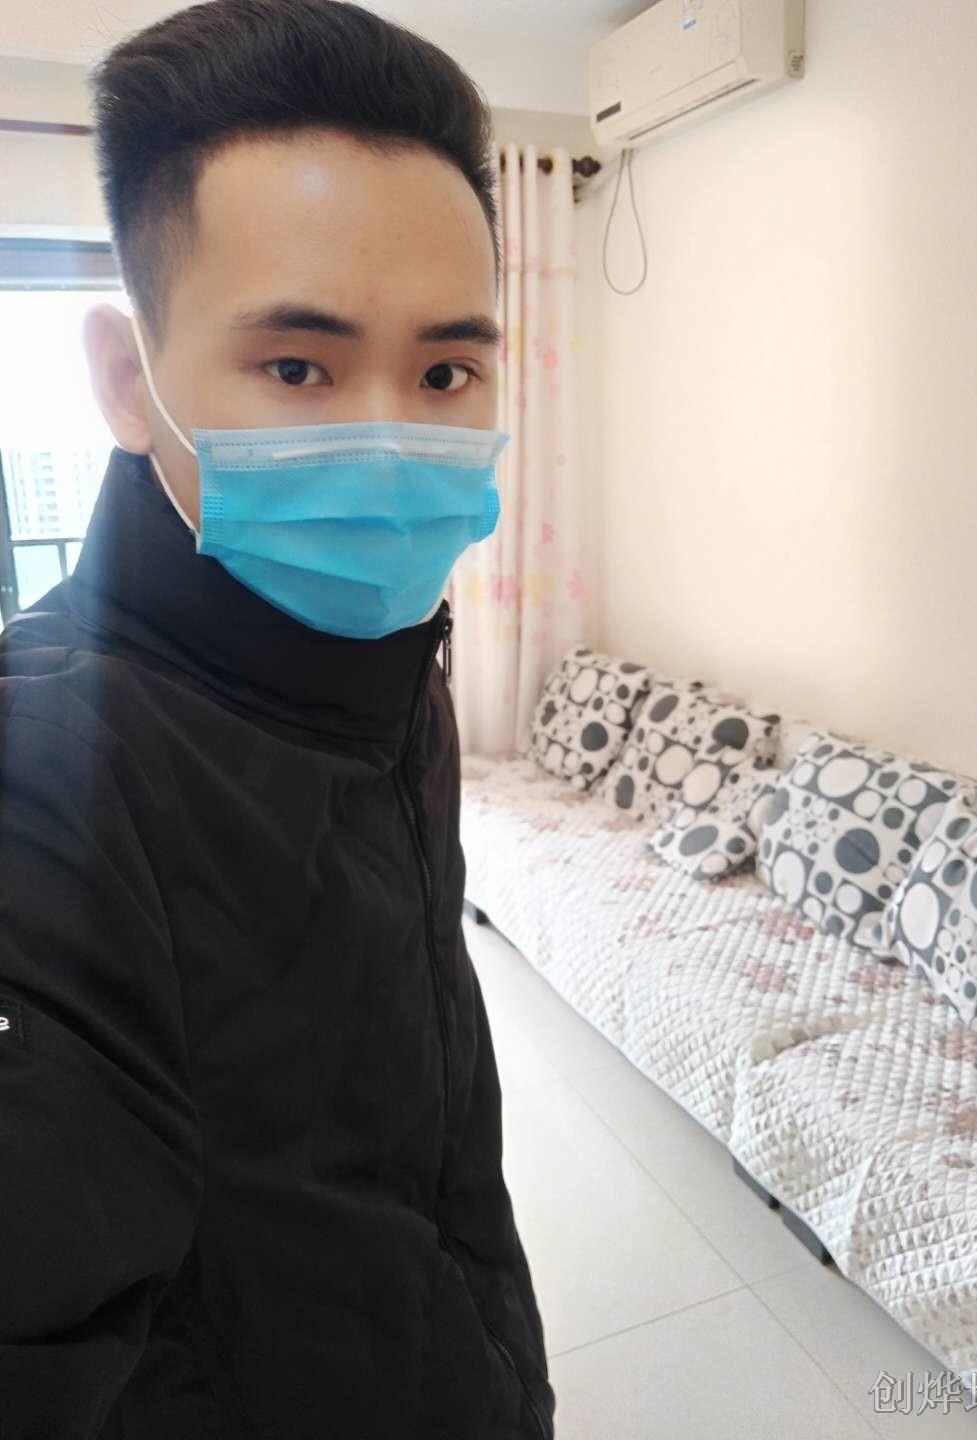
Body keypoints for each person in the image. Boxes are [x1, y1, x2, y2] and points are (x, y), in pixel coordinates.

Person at [0, 2, 554, 1436]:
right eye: (298, 367)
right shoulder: (43, 794)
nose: (391, 442)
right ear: (128, 383)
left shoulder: (387, 674)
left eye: (446, 373)